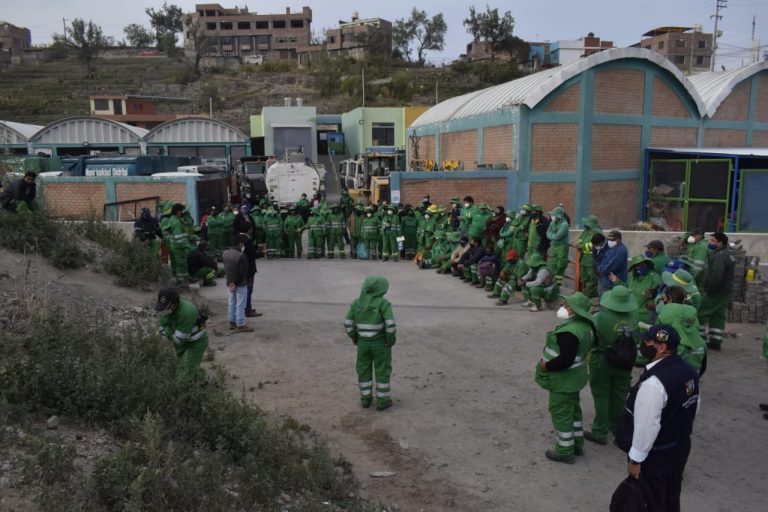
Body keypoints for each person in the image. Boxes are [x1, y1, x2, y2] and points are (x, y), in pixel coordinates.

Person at [615, 325, 700, 512]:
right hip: (679, 445)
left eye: (647, 341)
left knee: (651, 499)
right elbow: (694, 405)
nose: (642, 344)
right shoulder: (688, 370)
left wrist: (635, 460)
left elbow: (647, 426)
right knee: (671, 493)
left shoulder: (654, 383)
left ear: (661, 348)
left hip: (656, 454)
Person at [534, 292, 594, 464]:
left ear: (576, 311)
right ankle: (577, 444)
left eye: (568, 306)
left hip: (563, 381)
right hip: (576, 379)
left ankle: (565, 451)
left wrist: (546, 366)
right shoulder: (586, 326)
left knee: (561, 414)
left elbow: (565, 360)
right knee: (574, 411)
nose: (564, 308)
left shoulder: (569, 332)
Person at [585, 286, 638, 446]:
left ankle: (600, 432)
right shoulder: (633, 318)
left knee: (601, 396)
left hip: (602, 360)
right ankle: (616, 427)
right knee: (620, 395)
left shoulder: (599, 317)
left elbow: (590, 338)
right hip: (625, 362)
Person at [344, 276, 397, 410]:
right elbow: (390, 325)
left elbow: (348, 323)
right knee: (382, 370)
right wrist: (390, 340)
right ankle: (382, 401)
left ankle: (365, 399)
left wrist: (355, 337)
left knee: (363, 370)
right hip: (380, 344)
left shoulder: (356, 303)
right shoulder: (384, 304)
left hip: (363, 345)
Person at [154, 287, 209, 380]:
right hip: (182, 342)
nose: (164, 311)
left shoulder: (187, 312)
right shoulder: (166, 311)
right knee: (186, 368)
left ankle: (203, 385)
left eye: (166, 307)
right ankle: (203, 381)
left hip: (196, 343)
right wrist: (166, 332)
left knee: (183, 375)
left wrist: (167, 332)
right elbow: (161, 329)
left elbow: (178, 340)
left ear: (174, 303)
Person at [698, 232, 735, 351]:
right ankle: (716, 342)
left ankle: (700, 340)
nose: (710, 242)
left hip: (716, 292)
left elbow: (717, 276)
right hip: (725, 292)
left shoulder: (719, 256)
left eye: (713, 241)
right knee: (717, 316)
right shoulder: (727, 254)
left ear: (720, 243)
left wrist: (710, 291)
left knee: (699, 312)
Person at [657, 286, 706, 374]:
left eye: (665, 299)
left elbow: (659, 329)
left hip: (679, 353)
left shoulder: (670, 312)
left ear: (669, 298)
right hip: (698, 350)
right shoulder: (690, 312)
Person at [223, 235, 254, 333]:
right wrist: (235, 283)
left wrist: (231, 283)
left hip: (229, 282)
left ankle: (232, 322)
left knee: (231, 302)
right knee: (240, 304)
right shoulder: (241, 256)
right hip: (240, 284)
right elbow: (242, 272)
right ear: (240, 244)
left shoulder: (225, 253)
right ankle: (240, 324)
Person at [626, 256, 661, 328]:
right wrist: (617, 281)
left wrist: (651, 294)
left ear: (647, 265)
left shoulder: (654, 277)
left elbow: (660, 292)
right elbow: (626, 289)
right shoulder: (632, 278)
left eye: (642, 264)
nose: (639, 267)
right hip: (633, 314)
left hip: (647, 315)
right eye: (637, 265)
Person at [163, 203, 193, 283]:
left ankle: (184, 279)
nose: (183, 213)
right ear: (177, 211)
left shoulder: (174, 219)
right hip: (179, 247)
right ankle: (181, 281)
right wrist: (187, 247)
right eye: (182, 211)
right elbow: (179, 238)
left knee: (178, 264)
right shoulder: (176, 223)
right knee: (181, 264)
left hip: (175, 246)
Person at [599, 230, 628, 296]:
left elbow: (611, 267)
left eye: (612, 240)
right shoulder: (613, 247)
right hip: (607, 280)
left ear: (619, 239)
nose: (610, 242)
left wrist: (600, 269)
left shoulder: (620, 251)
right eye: (609, 240)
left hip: (612, 283)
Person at [547, 206, 570, 286]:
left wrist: (552, 236)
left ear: (558, 216)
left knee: (560, 265)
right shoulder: (552, 223)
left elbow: (557, 236)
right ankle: (552, 283)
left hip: (562, 247)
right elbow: (547, 233)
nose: (551, 217)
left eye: (553, 215)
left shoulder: (564, 225)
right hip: (554, 246)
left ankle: (557, 285)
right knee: (553, 264)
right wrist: (553, 236)